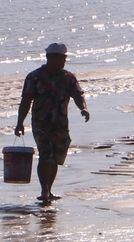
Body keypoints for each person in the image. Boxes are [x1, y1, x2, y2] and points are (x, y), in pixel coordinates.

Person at [17, 42, 88, 206]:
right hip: (41, 123)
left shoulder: (68, 78)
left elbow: (78, 95)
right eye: (61, 58)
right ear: (50, 58)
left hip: (60, 124)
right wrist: (20, 123)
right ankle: (44, 191)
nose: (63, 61)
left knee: (56, 157)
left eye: (64, 58)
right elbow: (26, 101)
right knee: (45, 154)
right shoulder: (34, 77)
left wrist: (83, 109)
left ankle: (49, 189)